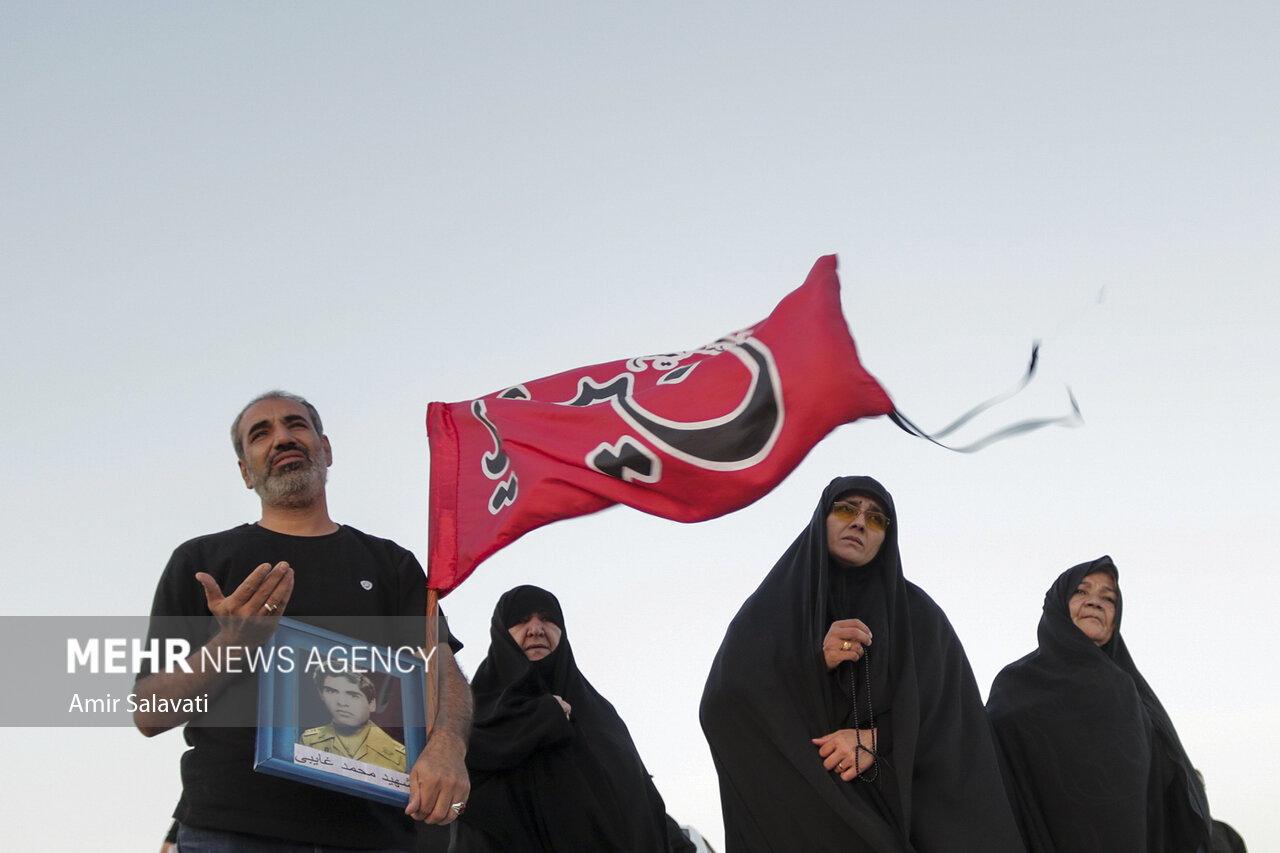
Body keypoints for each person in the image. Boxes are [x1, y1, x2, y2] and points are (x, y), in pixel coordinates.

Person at [134, 390, 472, 852]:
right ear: (244, 471)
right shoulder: (201, 562)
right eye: (260, 433)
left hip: (373, 832)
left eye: (295, 424)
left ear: (325, 448)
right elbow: (150, 712)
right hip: (232, 829)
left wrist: (450, 743)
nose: (281, 438)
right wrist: (234, 643)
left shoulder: (391, 565)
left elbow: (440, 669)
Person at [700, 475, 1025, 852]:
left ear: (887, 538)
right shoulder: (775, 610)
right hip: (804, 818)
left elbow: (956, 718)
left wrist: (877, 739)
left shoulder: (918, 619)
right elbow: (724, 703)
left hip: (893, 820)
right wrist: (814, 664)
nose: (858, 523)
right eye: (846, 509)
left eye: (875, 519)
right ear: (822, 518)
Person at [986, 556, 1212, 853]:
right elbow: (991, 776)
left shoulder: (1133, 694)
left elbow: (1170, 791)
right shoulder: (1016, 685)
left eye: (1108, 598)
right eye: (1081, 592)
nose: (1095, 603)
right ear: (1057, 605)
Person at [454, 585, 693, 853]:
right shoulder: (471, 715)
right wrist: (540, 719)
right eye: (520, 621)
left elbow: (641, 802)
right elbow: (461, 794)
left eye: (547, 619)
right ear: (501, 633)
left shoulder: (602, 719)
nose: (535, 629)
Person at [301, 665, 407, 773]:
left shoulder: (400, 757)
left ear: (371, 704)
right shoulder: (309, 740)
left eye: (353, 696)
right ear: (321, 695)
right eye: (332, 692)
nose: (341, 702)